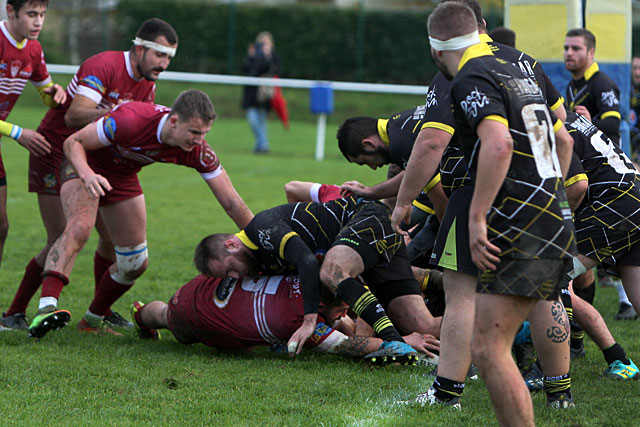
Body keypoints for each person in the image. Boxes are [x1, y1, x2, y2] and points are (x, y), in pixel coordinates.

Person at [394, 0, 572, 412]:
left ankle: (447, 392)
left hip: (500, 206)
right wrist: (550, 193)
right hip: (550, 207)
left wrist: (476, 215)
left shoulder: (468, 75)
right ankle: (560, 393)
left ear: (436, 49)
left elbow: (493, 142)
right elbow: (563, 140)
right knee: (547, 298)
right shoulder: (522, 65)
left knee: (476, 321)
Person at [26, 90, 253, 339]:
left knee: (135, 262)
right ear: (174, 121)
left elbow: (232, 202)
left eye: (204, 134)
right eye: (194, 132)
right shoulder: (130, 120)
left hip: (122, 176)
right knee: (80, 227)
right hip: (85, 163)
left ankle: (92, 320)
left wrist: (260, 239)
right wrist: (88, 175)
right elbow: (73, 143)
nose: (199, 140)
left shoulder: (196, 150)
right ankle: (46, 309)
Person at [0, 18, 178, 331]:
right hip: (54, 151)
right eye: (159, 55)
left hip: (96, 159)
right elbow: (74, 116)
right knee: (62, 236)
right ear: (139, 49)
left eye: (168, 58)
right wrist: (118, 112)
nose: (163, 64)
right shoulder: (104, 65)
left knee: (110, 240)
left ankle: (101, 310)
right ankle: (14, 313)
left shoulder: (148, 84)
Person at [194, 195, 442, 365]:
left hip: (367, 219)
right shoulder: (261, 262)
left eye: (229, 270)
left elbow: (308, 262)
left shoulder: (261, 229)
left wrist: (308, 322)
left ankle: (396, 343)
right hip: (368, 242)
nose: (235, 277)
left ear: (231, 245)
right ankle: (476, 318)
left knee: (332, 271)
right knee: (422, 323)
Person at [130, 274, 439, 360]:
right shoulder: (298, 322)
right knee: (185, 330)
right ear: (318, 311)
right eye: (343, 308)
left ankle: (141, 316)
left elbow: (338, 320)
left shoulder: (305, 269)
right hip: (196, 319)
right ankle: (148, 317)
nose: (348, 312)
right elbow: (349, 346)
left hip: (203, 285)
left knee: (164, 312)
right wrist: (402, 341)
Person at [0, 0, 66, 301]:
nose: (38, 21)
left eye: (42, 15)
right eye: (31, 14)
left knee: (1, 226)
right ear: (10, 11)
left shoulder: (34, 50)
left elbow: (46, 95)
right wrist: (17, 132)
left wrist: (57, 94)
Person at [564, 28, 621, 146]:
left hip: (605, 159)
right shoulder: (571, 85)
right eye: (566, 48)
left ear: (591, 52)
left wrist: (589, 123)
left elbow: (613, 124)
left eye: (576, 48)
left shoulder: (602, 83)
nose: (569, 53)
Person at [241, 31, 281, 154]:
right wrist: (257, 57)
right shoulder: (252, 57)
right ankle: (263, 143)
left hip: (265, 95)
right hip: (251, 95)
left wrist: (267, 57)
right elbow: (248, 71)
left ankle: (261, 144)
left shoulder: (274, 57)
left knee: (262, 121)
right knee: (253, 120)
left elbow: (278, 72)